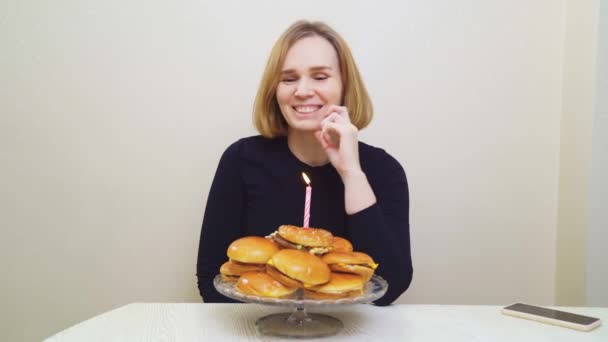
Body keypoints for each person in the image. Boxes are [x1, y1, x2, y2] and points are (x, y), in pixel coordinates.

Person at [196, 20, 412, 306]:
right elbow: (212, 279)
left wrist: (351, 173)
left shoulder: (384, 171)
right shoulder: (241, 160)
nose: (302, 90)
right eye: (288, 78)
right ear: (275, 90)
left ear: (344, 84)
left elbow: (391, 286)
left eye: (320, 77)